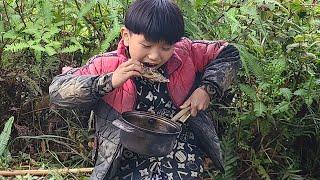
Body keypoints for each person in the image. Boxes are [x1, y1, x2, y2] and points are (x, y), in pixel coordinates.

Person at [49, 0, 241, 179]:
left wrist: (207, 89)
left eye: (166, 48)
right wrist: (109, 81)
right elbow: (58, 92)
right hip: (124, 154)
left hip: (180, 152)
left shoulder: (186, 53)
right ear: (126, 36)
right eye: (146, 45)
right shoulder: (105, 65)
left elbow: (229, 53)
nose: (155, 56)